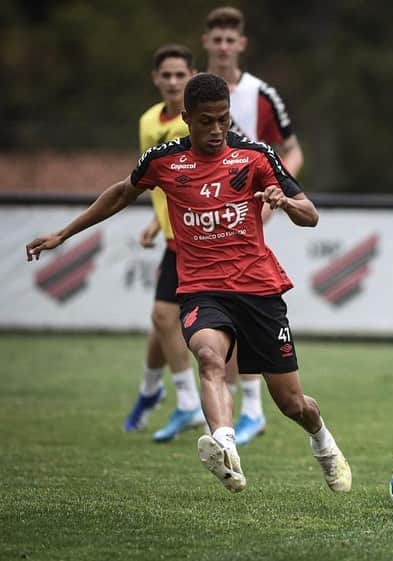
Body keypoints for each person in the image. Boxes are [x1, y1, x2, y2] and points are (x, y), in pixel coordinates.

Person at [27, 73, 352, 495]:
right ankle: (225, 446)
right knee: (210, 358)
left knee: (292, 404)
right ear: (187, 119)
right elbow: (121, 194)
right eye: (206, 121)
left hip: (258, 291)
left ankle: (324, 444)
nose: (217, 130)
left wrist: (285, 202)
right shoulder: (163, 161)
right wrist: (63, 235)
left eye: (223, 120)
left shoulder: (254, 156)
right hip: (202, 288)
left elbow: (310, 214)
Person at [201, 6, 305, 446]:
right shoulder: (196, 93)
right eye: (217, 39)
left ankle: (251, 409)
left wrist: (274, 202)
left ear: (241, 44)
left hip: (250, 218)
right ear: (207, 42)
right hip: (204, 222)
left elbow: (293, 152)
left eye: (231, 40)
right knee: (209, 319)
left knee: (239, 308)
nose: (223, 47)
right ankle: (234, 409)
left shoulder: (262, 94)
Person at [122, 44, 205, 442]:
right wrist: (156, 222)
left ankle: (189, 402)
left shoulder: (198, 124)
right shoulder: (148, 121)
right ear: (156, 78)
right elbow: (156, 181)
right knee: (161, 323)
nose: (173, 82)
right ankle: (150, 392)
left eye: (180, 75)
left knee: (163, 318)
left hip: (196, 238)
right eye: (166, 75)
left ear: (192, 75)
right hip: (172, 236)